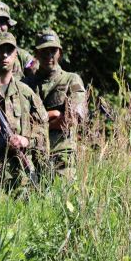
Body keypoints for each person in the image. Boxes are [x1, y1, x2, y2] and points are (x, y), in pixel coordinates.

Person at [0, 32, 49, 189]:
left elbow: (43, 129)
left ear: (16, 55)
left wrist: (26, 140)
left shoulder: (26, 93)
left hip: (20, 180)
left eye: (9, 50)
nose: (4, 55)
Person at [23, 28, 86, 179]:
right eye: (44, 51)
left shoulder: (71, 80)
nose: (49, 55)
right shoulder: (25, 84)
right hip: (30, 156)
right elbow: (18, 121)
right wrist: (53, 115)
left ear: (60, 53)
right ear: (36, 54)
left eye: (53, 50)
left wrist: (38, 125)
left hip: (61, 156)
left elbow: (72, 118)